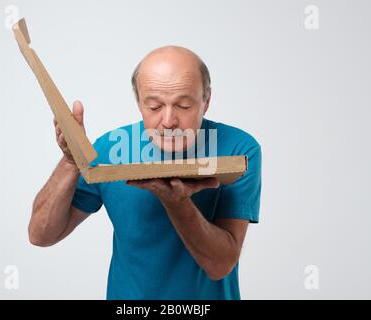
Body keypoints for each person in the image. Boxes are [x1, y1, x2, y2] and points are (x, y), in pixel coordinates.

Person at [29, 46, 262, 299]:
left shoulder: (239, 149)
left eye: (184, 106)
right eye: (154, 107)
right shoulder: (110, 150)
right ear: (139, 102)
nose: (169, 121)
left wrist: (177, 202)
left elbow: (220, 265)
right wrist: (70, 162)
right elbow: (41, 235)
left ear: (206, 101)